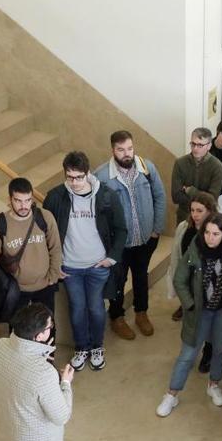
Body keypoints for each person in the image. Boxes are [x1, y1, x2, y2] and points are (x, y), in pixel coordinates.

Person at [156, 214, 222, 417]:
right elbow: (180, 280)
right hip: (199, 312)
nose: (210, 238)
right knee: (188, 353)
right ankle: (171, 394)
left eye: (216, 234)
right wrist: (189, 304)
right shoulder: (194, 250)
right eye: (207, 232)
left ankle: (213, 384)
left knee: (220, 349)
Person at [45, 152, 127, 371]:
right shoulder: (55, 197)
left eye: (79, 177)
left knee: (97, 308)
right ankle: (81, 348)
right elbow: (47, 234)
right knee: (77, 309)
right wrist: (55, 265)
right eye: (70, 177)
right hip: (70, 267)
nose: (75, 182)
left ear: (88, 173)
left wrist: (111, 258)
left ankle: (97, 347)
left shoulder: (107, 196)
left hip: (97, 266)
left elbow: (121, 229)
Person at [93, 130, 167, 340]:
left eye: (130, 148)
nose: (127, 154)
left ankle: (141, 313)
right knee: (118, 280)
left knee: (141, 276)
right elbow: (98, 214)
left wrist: (156, 229)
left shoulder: (147, 168)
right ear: (113, 150)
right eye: (121, 150)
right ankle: (116, 317)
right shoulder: (102, 176)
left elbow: (159, 197)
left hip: (145, 238)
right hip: (119, 244)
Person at [0, 303, 73, 441]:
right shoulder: (44, 374)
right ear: (39, 336)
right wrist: (65, 383)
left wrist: (40, 356)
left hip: (11, 429)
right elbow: (61, 416)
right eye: (49, 326)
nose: (51, 328)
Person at [0, 177, 62, 317]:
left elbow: (55, 248)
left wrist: (53, 277)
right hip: (16, 290)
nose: (24, 206)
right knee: (17, 332)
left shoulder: (45, 217)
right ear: (10, 199)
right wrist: (4, 286)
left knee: (47, 331)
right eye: (18, 200)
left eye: (28, 200)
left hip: (45, 286)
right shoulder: (0, 223)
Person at [167, 192, 218, 322]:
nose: (195, 214)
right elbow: (177, 252)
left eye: (200, 211)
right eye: (192, 210)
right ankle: (185, 306)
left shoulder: (216, 231)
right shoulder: (184, 227)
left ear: (210, 211)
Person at [171, 127, 222, 225]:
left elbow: (212, 200)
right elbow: (176, 196)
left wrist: (190, 191)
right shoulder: (180, 163)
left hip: (206, 219)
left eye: (200, 145)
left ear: (209, 146)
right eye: (193, 144)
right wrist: (203, 198)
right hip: (184, 217)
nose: (195, 148)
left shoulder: (217, 166)